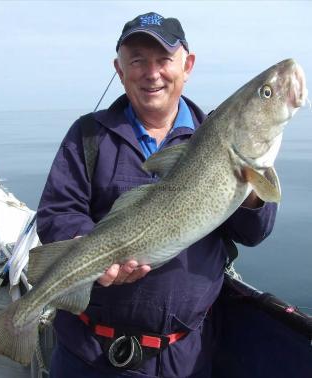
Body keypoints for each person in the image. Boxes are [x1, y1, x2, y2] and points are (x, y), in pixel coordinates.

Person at [36, 12, 277, 378]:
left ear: (187, 65)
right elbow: (57, 212)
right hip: (87, 354)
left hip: (184, 357)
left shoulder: (215, 135)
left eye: (164, 60)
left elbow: (253, 233)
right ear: (119, 69)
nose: (152, 74)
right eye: (137, 61)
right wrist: (86, 249)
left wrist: (248, 187)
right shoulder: (87, 135)